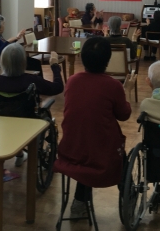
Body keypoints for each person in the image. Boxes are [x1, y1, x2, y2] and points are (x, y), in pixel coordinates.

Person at [56, 37, 136, 219]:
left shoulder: (72, 81)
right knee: (105, 147)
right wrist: (127, 91)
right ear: (107, 60)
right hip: (101, 154)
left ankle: (79, 202)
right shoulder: (113, 85)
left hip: (71, 148)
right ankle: (129, 195)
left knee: (88, 139)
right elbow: (124, 115)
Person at [0, 44, 64, 166]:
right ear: (23, 62)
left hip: (3, 124)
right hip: (28, 123)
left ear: (2, 61)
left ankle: (19, 155)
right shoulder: (31, 80)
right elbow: (58, 87)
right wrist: (55, 66)